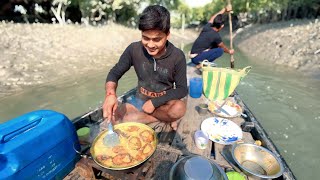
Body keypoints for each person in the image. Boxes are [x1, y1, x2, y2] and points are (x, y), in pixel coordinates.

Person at [102, 5, 188, 131]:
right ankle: (162, 119)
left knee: (179, 108)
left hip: (163, 103)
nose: (151, 45)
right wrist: (110, 94)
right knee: (115, 116)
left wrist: (154, 102)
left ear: (167, 35)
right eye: (146, 38)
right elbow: (114, 73)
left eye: (157, 39)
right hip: (140, 102)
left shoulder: (177, 56)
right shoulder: (133, 49)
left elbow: (182, 89)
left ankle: (149, 118)